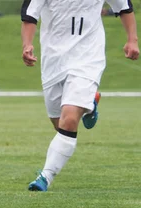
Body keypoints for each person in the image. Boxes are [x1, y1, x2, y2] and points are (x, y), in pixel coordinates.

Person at [21, 0, 139, 191]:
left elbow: (124, 7)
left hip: (87, 57)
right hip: (53, 61)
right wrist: (27, 44)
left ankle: (46, 176)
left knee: (69, 121)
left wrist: (132, 40)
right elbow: (29, 15)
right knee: (59, 123)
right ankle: (88, 105)